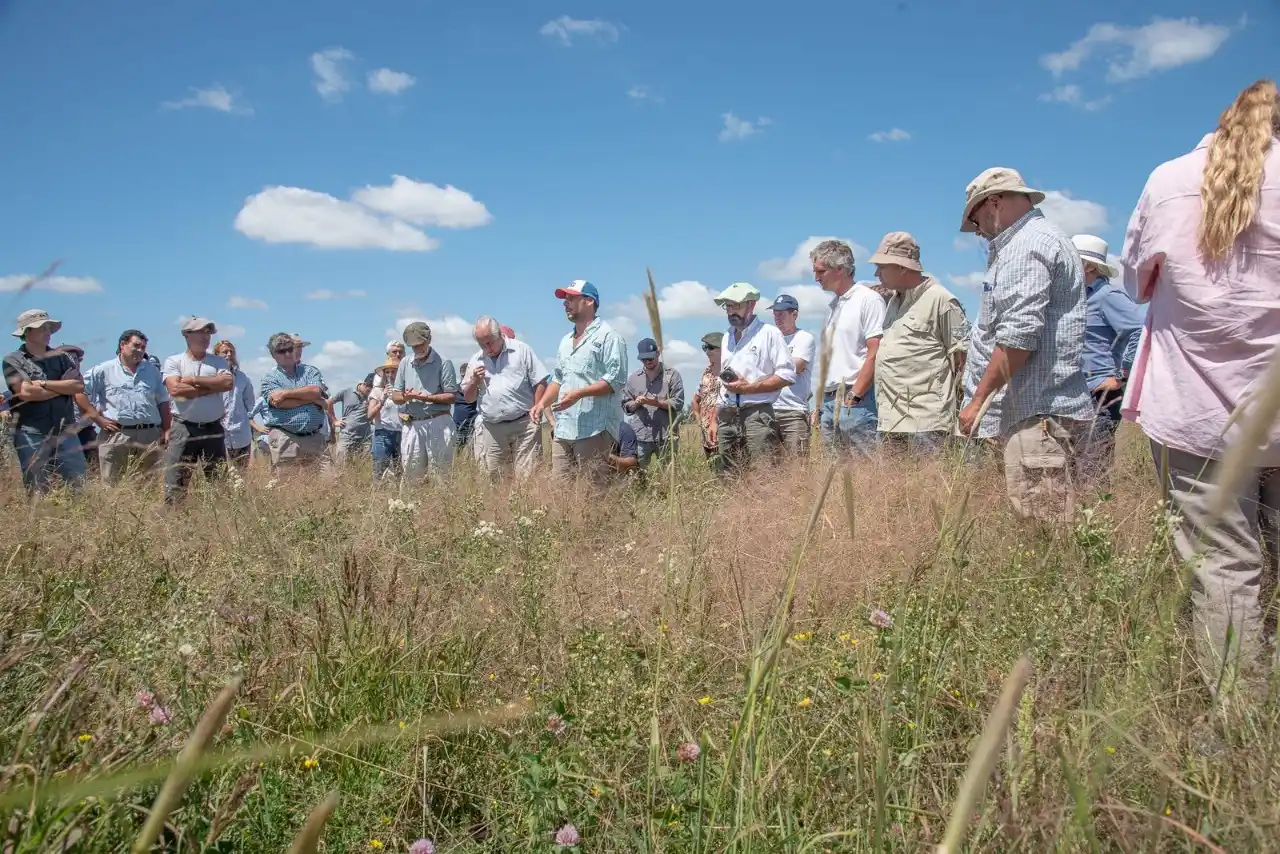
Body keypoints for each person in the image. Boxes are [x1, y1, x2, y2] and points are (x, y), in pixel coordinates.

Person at [1120, 79, 1280, 703]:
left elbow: (1138, 279)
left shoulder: (1169, 181)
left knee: (1224, 570)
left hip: (1200, 409)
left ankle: (1239, 726)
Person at [956, 167, 1094, 521]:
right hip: (1036, 412)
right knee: (1043, 517)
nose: (979, 233)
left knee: (1043, 523)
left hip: (1037, 414)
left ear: (995, 203)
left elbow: (1017, 337)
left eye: (977, 222)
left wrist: (977, 400)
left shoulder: (1026, 246)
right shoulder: (1034, 241)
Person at [869, 232, 970, 452]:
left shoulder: (941, 300)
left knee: (929, 486)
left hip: (927, 424)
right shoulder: (893, 303)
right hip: (890, 421)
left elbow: (962, 362)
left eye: (882, 267)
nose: (876, 273)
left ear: (902, 267)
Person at [532, 281, 628, 484]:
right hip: (563, 427)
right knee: (559, 490)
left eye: (571, 298)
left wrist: (580, 394)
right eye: (564, 299)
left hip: (595, 428)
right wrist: (541, 404)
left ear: (589, 301)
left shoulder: (608, 337)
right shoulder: (565, 341)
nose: (565, 303)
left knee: (591, 492)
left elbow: (616, 380)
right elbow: (558, 379)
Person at [1072, 234, 1145, 475]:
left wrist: (1123, 373)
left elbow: (1139, 330)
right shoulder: (1079, 297)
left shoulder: (1107, 296)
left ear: (1089, 266)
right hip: (1078, 393)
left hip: (1100, 394)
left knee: (1093, 469)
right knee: (1076, 467)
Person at [712, 282, 796, 473]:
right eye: (728, 306)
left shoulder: (769, 334)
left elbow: (787, 375)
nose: (731, 312)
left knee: (762, 471)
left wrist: (748, 388)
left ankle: (762, 504)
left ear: (751, 305)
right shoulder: (726, 337)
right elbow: (723, 380)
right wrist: (715, 417)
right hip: (728, 413)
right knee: (728, 472)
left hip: (757, 413)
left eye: (736, 306)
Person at [812, 239, 885, 456]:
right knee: (834, 475)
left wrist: (855, 395)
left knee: (864, 474)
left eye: (821, 271)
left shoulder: (868, 299)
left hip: (856, 400)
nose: (816, 278)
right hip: (829, 401)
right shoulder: (832, 306)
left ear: (840, 269)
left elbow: (876, 351)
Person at [2, 309, 87, 493]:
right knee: (37, 487)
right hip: (31, 433)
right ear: (27, 332)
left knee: (78, 483)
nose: (47, 331)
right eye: (42, 327)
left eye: (49, 327)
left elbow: (78, 386)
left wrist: (44, 384)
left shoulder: (62, 357)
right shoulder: (12, 360)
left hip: (65, 430)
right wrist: (61, 388)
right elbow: (26, 392)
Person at [462, 316, 549, 478]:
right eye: (482, 344)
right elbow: (468, 398)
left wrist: (537, 408)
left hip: (524, 424)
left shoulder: (521, 350)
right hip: (493, 428)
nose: (488, 348)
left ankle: (526, 504)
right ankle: (501, 504)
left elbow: (541, 381)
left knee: (527, 478)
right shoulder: (475, 360)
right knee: (496, 478)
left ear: (500, 335)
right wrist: (474, 381)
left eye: (490, 342)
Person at [84, 329, 173, 483]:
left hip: (149, 434)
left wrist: (167, 429)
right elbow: (80, 392)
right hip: (117, 434)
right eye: (136, 346)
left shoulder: (152, 372)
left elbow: (163, 402)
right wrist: (98, 419)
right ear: (123, 345)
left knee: (148, 486)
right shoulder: (103, 370)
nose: (140, 350)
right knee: (112, 485)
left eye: (143, 347)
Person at [161, 317, 234, 501]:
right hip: (184, 428)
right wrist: (211, 387)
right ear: (186, 335)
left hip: (213, 428)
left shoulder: (218, 362)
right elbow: (176, 390)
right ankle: (175, 520)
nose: (205, 336)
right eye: (200, 332)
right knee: (177, 481)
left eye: (208, 333)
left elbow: (227, 383)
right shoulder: (174, 361)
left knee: (218, 482)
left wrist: (194, 381)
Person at [392, 321, 458, 480]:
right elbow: (395, 396)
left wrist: (424, 398)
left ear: (429, 339)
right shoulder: (405, 363)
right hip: (412, 424)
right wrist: (406, 397)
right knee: (411, 475)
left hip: (438, 422)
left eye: (420, 344)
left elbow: (451, 396)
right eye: (413, 346)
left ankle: (442, 504)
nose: (417, 349)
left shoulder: (443, 362)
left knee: (441, 476)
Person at [258, 332, 333, 471]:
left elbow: (315, 391)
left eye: (290, 349)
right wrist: (313, 401)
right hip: (285, 438)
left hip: (314, 437)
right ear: (273, 355)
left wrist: (286, 393)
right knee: (289, 487)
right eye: (282, 351)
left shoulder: (310, 371)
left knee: (329, 483)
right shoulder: (269, 378)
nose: (287, 354)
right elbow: (279, 403)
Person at [766, 294, 817, 456]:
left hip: (793, 411)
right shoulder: (769, 339)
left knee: (798, 466)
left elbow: (796, 367)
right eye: (775, 314)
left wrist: (766, 371)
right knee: (770, 467)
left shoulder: (804, 338)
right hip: (768, 410)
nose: (777, 318)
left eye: (781, 313)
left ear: (794, 314)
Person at [622, 338, 685, 468]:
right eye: (644, 360)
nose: (648, 362)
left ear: (658, 353)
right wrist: (635, 404)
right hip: (640, 436)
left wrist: (656, 402)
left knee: (669, 476)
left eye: (650, 358)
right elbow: (625, 405)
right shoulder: (633, 379)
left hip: (667, 436)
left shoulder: (672, 375)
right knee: (638, 476)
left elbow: (678, 403)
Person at [213, 340, 256, 466]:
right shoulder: (210, 377)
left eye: (231, 351)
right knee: (221, 475)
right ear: (216, 355)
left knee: (241, 476)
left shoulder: (243, 378)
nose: (229, 354)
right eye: (224, 352)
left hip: (241, 434)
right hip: (220, 433)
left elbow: (250, 405)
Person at [366, 355, 403, 480]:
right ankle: (378, 496)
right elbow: (369, 415)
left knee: (401, 472)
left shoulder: (403, 392)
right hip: (383, 433)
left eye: (393, 371)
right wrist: (383, 399)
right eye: (387, 371)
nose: (390, 374)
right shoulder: (377, 391)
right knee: (380, 471)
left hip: (401, 433)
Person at [691, 333, 723, 465]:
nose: (707, 351)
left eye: (710, 347)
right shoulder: (707, 372)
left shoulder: (729, 370)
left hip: (724, 430)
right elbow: (695, 399)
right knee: (712, 468)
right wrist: (698, 419)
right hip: (706, 431)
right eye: (705, 347)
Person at [329, 375, 374, 463]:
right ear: (364, 385)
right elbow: (329, 402)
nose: (370, 393)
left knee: (362, 468)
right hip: (347, 436)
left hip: (365, 439)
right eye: (369, 390)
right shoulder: (347, 392)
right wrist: (334, 421)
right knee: (340, 468)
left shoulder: (372, 397)